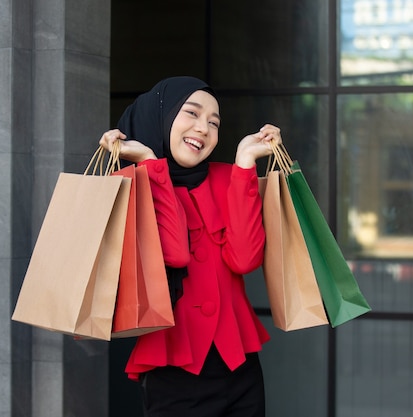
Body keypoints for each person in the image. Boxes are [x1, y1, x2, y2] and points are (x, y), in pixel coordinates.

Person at [99, 76, 282, 417]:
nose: (204, 128)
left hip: (239, 366)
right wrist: (151, 165)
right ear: (162, 116)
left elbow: (244, 260)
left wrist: (244, 163)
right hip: (174, 370)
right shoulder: (132, 183)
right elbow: (175, 254)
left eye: (214, 122)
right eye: (192, 114)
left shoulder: (229, 178)